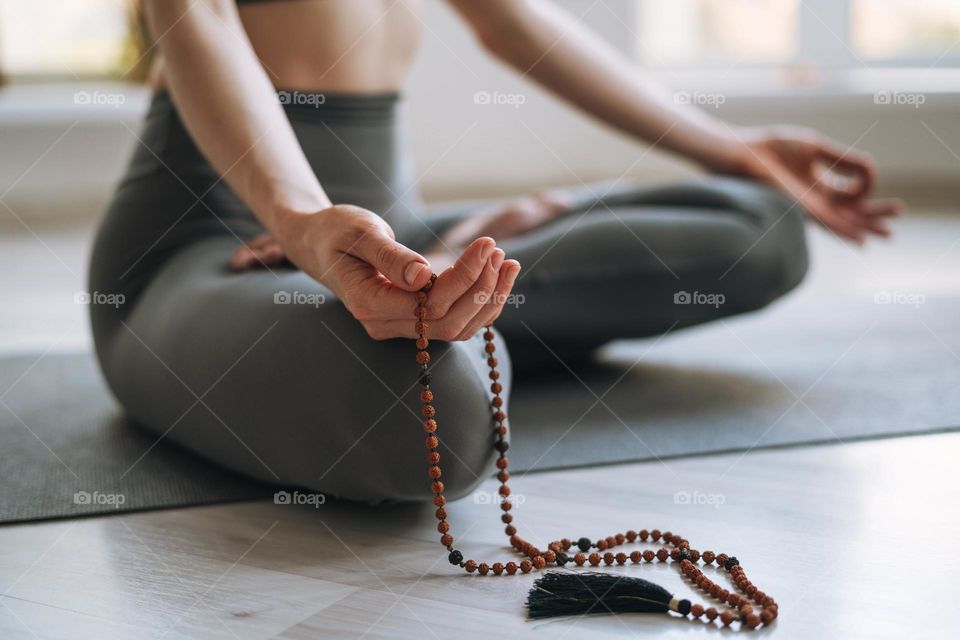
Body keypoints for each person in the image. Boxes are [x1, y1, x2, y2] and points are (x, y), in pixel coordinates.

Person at [89, 0, 902, 503]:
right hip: (213, 251)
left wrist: (734, 148)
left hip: (388, 238)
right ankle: (442, 312)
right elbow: (198, 18)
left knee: (760, 228)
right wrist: (302, 224)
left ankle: (445, 280)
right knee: (437, 420)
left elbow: (513, 21)